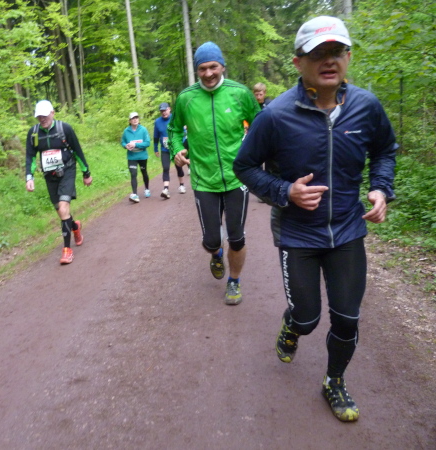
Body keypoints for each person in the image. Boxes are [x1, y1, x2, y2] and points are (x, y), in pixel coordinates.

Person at [234, 16, 397, 422]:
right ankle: (293, 326)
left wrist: (380, 188)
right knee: (308, 318)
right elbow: (245, 167)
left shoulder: (366, 106)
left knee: (347, 318)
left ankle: (334, 381)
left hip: (347, 230)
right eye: (318, 53)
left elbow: (384, 150)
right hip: (297, 234)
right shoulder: (275, 115)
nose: (329, 60)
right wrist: (284, 191)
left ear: (348, 57)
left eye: (336, 51)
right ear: (298, 62)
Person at [168, 42, 260, 305]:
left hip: (236, 177)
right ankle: (216, 253)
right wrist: (176, 149)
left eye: (213, 67)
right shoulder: (186, 98)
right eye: (202, 69)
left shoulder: (239, 93)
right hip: (203, 180)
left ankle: (234, 281)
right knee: (211, 240)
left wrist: (254, 153)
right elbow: (174, 130)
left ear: (222, 67)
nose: (208, 73)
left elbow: (260, 124)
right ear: (196, 70)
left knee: (236, 237)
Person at [25, 100, 93, 265]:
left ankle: (67, 250)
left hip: (67, 171)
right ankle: (75, 227)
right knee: (61, 212)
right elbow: (31, 156)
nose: (42, 119)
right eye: (39, 116)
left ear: (52, 113)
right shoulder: (34, 133)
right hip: (49, 175)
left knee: (63, 208)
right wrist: (29, 176)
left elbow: (77, 151)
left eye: (45, 115)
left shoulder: (65, 129)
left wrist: (86, 172)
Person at [154, 102, 186, 199]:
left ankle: (181, 185)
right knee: (165, 168)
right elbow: (156, 136)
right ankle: (166, 189)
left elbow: (183, 132)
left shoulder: (175, 119)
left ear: (169, 109)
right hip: (165, 149)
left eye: (165, 110)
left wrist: (182, 145)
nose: (164, 112)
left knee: (178, 166)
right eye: (162, 111)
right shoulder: (157, 122)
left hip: (176, 148)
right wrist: (155, 148)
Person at [121, 112, 151, 203]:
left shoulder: (143, 130)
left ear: (139, 119)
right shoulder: (126, 131)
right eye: (133, 118)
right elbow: (122, 142)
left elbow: (147, 143)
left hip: (142, 156)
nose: (135, 120)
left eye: (136, 118)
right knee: (133, 174)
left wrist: (135, 144)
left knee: (144, 172)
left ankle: (147, 189)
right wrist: (126, 146)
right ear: (130, 121)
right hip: (132, 157)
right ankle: (134, 194)